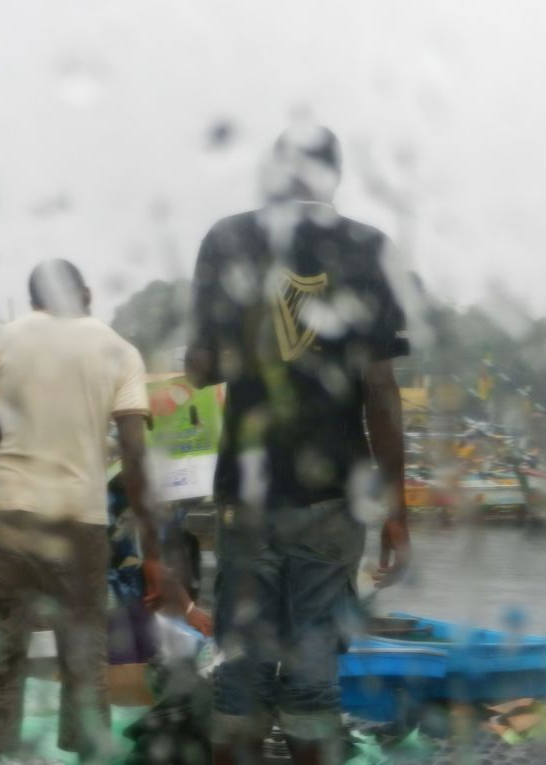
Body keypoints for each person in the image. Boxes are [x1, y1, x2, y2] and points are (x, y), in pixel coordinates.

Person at [185, 123, 413, 764]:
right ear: (336, 177)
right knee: (314, 680)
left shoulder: (227, 239)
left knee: (242, 674)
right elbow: (381, 395)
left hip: (247, 497)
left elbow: (201, 368)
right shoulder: (371, 248)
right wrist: (396, 514)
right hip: (333, 502)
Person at [0, 259, 206, 764]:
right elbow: (136, 456)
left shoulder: (5, 339)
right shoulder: (119, 350)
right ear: (88, 294)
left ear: (32, 301)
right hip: (80, 522)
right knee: (83, 657)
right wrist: (155, 554)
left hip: (9, 515)